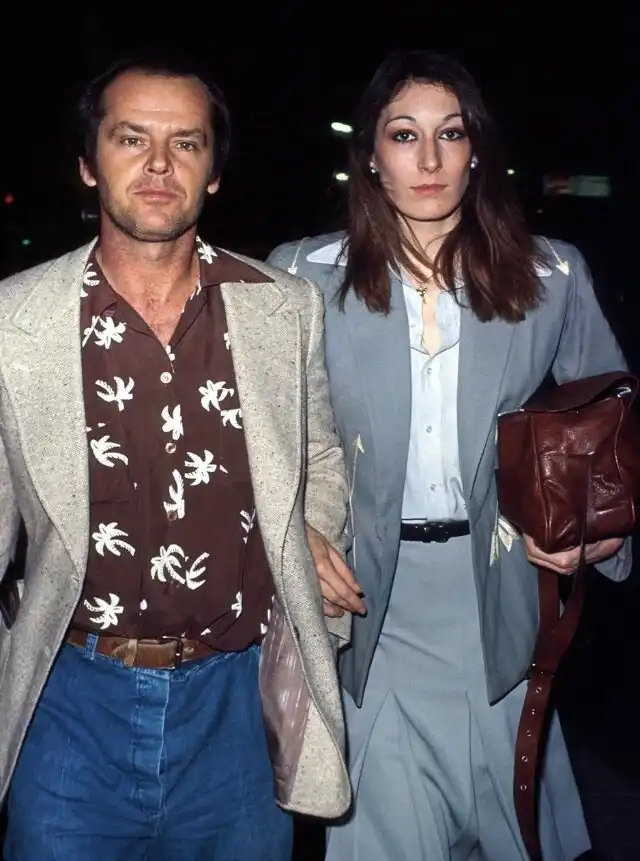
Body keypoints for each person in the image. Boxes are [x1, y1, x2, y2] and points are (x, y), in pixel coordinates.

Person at [268, 49, 631, 861]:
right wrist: (294, 531)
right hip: (370, 606)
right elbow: (253, 435)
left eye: (451, 133)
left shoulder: (551, 273)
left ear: (477, 151)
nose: (428, 159)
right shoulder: (301, 274)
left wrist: (598, 530)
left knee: (514, 828)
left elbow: (612, 421)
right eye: (404, 135)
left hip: (502, 598)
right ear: (371, 155)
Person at [0, 53, 351, 861]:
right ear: (88, 163)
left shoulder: (282, 309)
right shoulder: (17, 322)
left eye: (186, 143)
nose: (159, 164)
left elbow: (319, 452)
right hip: (69, 701)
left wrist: (310, 528)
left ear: (214, 171)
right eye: (131, 138)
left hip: (235, 706)